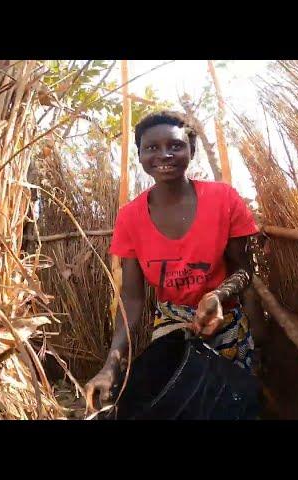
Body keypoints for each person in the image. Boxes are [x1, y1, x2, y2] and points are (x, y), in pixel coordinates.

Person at [84, 111, 261, 411]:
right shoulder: (130, 217)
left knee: (232, 403)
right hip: (172, 322)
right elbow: (131, 297)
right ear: (139, 155)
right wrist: (111, 365)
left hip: (226, 317)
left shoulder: (223, 199)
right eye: (151, 147)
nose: (164, 154)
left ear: (191, 150)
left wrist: (218, 295)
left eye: (175, 145)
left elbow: (245, 269)